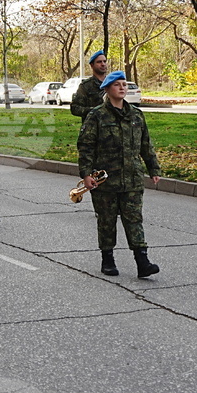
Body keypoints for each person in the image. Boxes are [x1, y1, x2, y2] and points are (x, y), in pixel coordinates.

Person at [77, 71, 162, 278]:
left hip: (132, 178)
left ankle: (143, 261)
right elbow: (85, 146)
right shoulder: (96, 115)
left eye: (124, 84)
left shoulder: (136, 115)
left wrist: (153, 168)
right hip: (105, 180)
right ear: (107, 89)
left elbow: (145, 144)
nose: (122, 88)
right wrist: (86, 174)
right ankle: (108, 259)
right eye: (117, 85)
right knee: (106, 220)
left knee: (134, 219)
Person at [71, 50, 110, 122]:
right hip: (92, 127)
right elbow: (75, 108)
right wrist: (95, 111)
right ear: (92, 65)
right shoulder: (85, 86)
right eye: (99, 62)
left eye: (104, 61)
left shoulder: (111, 83)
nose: (103, 64)